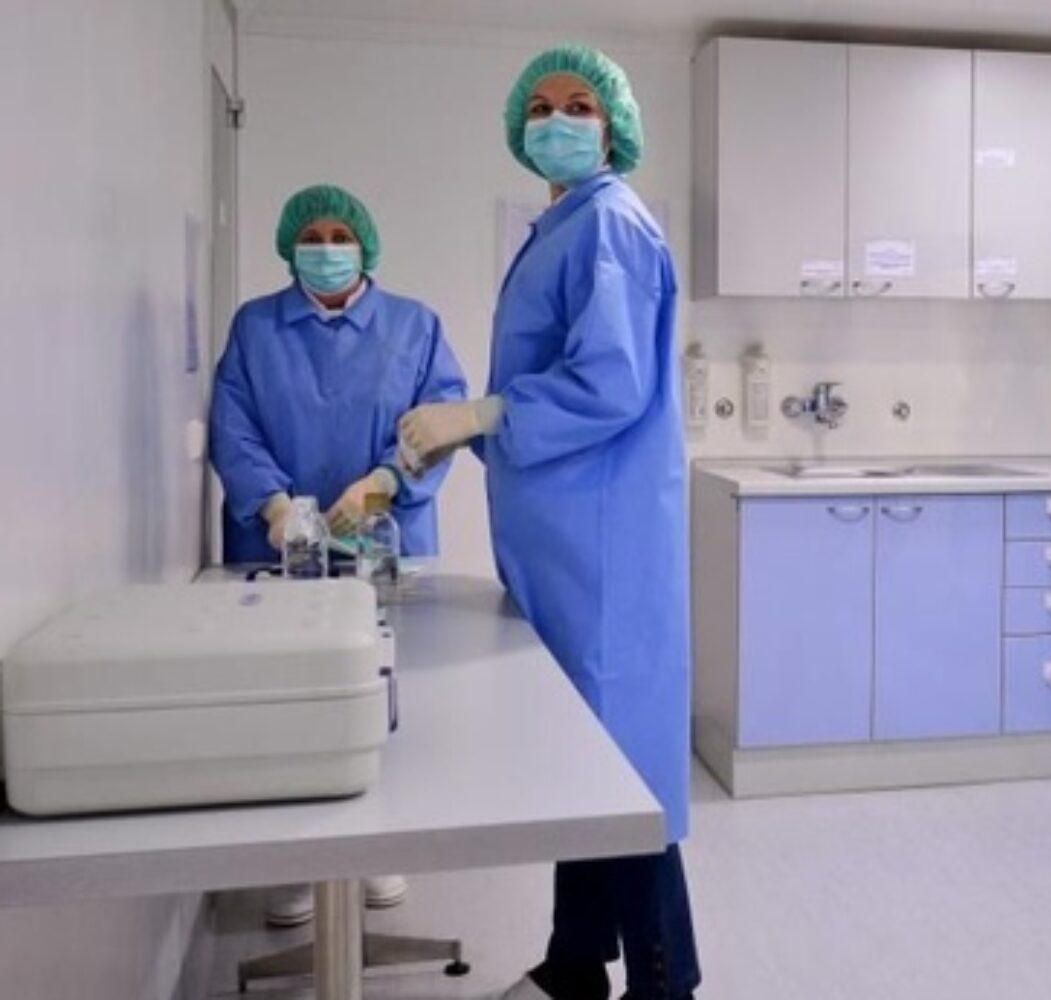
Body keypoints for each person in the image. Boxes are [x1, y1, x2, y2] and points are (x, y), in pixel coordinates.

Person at [397, 45, 699, 1000]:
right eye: (540, 107)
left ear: (613, 128)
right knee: (585, 764)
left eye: (579, 106)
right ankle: (575, 962)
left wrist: (484, 415)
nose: (558, 120)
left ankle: (665, 984)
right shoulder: (565, 225)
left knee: (626, 773)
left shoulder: (609, 222)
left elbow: (610, 383)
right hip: (572, 541)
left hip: (605, 551)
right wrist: (472, 431)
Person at [209, 184, 468, 927]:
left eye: (340, 236)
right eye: (313, 237)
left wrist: (385, 482)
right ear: (289, 246)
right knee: (286, 695)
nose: (326, 249)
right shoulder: (256, 327)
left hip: (386, 545)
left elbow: (440, 424)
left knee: (387, 689)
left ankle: (382, 844)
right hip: (278, 550)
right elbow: (233, 426)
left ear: (366, 246)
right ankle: (296, 859)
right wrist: (275, 507)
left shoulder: (415, 326)